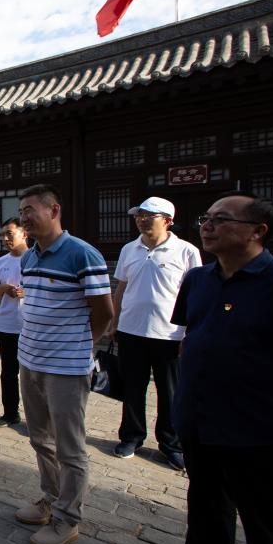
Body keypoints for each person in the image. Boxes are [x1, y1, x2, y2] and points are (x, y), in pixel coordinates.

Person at [159, 192, 273, 544]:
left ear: (257, 231)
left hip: (257, 425)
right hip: (199, 413)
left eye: (221, 219)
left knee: (266, 521)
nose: (208, 226)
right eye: (206, 218)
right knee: (206, 497)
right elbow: (190, 334)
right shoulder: (198, 279)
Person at [14, 184, 112, 544]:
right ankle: (50, 500)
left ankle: (68, 518)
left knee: (70, 448)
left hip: (66, 368)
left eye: (30, 209)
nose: (24, 217)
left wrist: (81, 345)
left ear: (54, 210)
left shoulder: (82, 254)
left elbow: (104, 312)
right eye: (21, 212)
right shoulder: (28, 257)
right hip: (30, 361)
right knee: (40, 438)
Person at [111, 197, 201, 471]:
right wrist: (114, 322)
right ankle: (131, 437)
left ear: (168, 220)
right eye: (138, 215)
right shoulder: (129, 249)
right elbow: (121, 288)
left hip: (170, 335)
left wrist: (191, 331)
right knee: (132, 388)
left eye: (148, 216)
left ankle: (171, 444)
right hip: (131, 330)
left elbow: (195, 294)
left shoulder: (186, 251)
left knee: (170, 392)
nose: (141, 220)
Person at [0, 217, 27, 428]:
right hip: (7, 324)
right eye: (3, 234)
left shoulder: (36, 259)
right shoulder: (0, 262)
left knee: (33, 374)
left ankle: (38, 418)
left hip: (31, 325)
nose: (5, 238)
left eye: (9, 234)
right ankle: (11, 413)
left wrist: (26, 292)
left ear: (24, 234)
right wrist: (3, 289)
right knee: (9, 372)